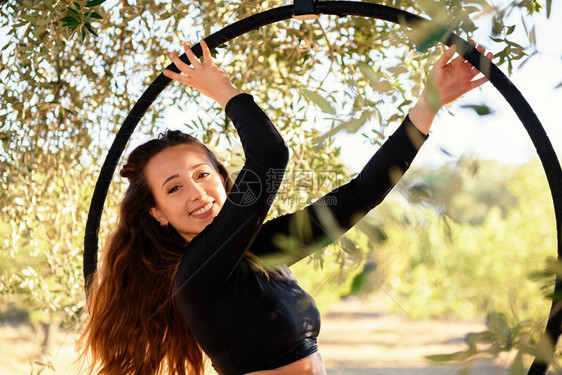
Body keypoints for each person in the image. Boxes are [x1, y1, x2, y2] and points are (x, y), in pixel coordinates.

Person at [78, 39, 493, 375]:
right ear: (157, 213)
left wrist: (429, 103)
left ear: (223, 181)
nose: (196, 193)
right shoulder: (196, 273)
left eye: (202, 175)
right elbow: (271, 155)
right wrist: (220, 87)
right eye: (173, 188)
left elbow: (359, 194)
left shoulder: (262, 248)